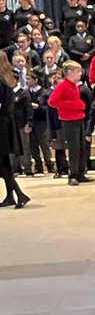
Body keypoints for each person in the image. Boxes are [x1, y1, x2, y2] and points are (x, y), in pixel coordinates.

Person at [49, 61, 91, 187]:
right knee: (74, 148)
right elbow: (52, 101)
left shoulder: (73, 85)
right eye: (77, 71)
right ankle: (72, 174)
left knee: (81, 147)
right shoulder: (63, 85)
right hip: (69, 120)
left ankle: (80, 172)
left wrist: (78, 105)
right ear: (69, 72)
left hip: (78, 117)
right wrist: (75, 105)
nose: (80, 73)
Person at [0, 52, 30, 207]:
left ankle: (20, 194)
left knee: (2, 165)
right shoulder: (7, 79)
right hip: (6, 123)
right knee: (4, 163)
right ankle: (11, 195)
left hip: (1, 126)